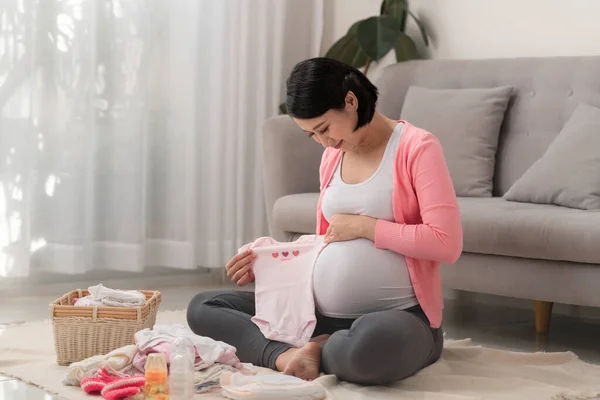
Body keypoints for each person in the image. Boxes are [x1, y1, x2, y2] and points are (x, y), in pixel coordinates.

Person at [187, 57, 463, 385]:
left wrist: (366, 227)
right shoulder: (333, 155)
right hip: (314, 315)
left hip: (399, 318)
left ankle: (308, 349)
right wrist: (269, 263)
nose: (323, 142)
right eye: (311, 135)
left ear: (350, 100)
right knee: (203, 306)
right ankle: (288, 354)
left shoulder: (417, 147)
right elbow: (326, 243)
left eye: (324, 128)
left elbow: (446, 243)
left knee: (367, 351)